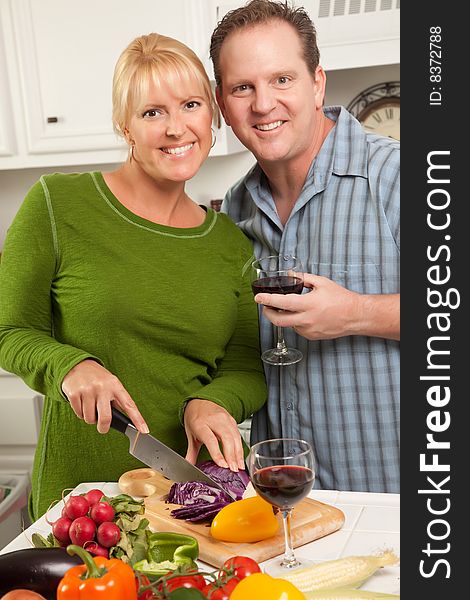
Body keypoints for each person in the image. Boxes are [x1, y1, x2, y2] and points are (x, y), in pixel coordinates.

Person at [0, 33, 266, 520]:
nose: (175, 128)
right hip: (82, 501)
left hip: (192, 497)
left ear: (212, 115)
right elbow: (9, 330)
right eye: (152, 112)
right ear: (125, 126)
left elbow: (247, 363)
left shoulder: (230, 242)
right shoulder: (58, 205)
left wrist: (213, 402)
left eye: (190, 105)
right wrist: (69, 365)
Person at [210, 0, 400, 493]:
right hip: (290, 504)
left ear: (317, 83)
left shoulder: (401, 177)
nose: (263, 104)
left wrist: (357, 312)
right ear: (222, 102)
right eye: (242, 87)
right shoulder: (235, 209)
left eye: (282, 80)